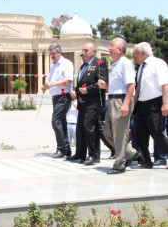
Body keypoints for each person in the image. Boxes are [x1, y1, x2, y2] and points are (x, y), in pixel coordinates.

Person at [98, 38, 143, 174]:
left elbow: (131, 85)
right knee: (107, 131)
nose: (109, 48)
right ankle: (130, 152)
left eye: (112, 45)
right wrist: (107, 86)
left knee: (120, 132)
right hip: (112, 100)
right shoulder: (116, 64)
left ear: (119, 49)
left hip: (121, 100)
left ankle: (119, 164)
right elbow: (119, 85)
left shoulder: (125, 63)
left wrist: (125, 104)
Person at [68, 42, 108, 165]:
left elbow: (102, 83)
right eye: (83, 50)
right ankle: (80, 154)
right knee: (80, 128)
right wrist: (75, 92)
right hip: (82, 102)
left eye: (86, 50)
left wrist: (88, 90)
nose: (83, 52)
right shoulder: (82, 66)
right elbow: (80, 84)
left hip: (94, 102)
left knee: (89, 128)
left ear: (94, 52)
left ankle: (94, 155)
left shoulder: (100, 64)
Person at [130, 42, 168, 169]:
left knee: (156, 132)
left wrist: (165, 103)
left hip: (155, 103)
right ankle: (146, 161)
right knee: (138, 133)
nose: (133, 56)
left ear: (143, 53)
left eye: (135, 54)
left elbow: (165, 84)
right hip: (141, 104)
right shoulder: (141, 67)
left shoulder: (158, 63)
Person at [42, 43, 73, 158]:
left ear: (60, 52)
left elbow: (68, 81)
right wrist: (46, 86)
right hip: (56, 96)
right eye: (50, 54)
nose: (52, 56)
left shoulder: (66, 63)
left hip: (64, 96)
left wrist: (51, 84)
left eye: (54, 54)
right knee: (61, 122)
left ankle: (61, 148)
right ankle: (66, 149)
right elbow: (52, 81)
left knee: (55, 121)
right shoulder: (53, 65)